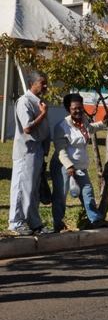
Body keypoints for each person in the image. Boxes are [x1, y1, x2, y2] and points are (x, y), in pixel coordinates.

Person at [51, 93, 108, 232]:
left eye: (80, 107)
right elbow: (60, 150)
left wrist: (103, 123)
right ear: (68, 109)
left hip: (79, 166)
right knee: (61, 196)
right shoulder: (61, 127)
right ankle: (58, 224)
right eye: (75, 108)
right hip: (64, 166)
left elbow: (90, 129)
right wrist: (69, 166)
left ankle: (96, 220)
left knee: (87, 192)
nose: (78, 111)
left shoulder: (83, 121)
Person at [8, 72, 52, 236]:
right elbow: (27, 128)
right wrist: (42, 114)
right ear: (32, 84)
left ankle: (34, 222)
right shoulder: (25, 101)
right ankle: (16, 222)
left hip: (38, 151)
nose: (45, 86)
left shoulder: (40, 102)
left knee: (33, 189)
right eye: (42, 83)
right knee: (21, 187)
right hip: (27, 151)